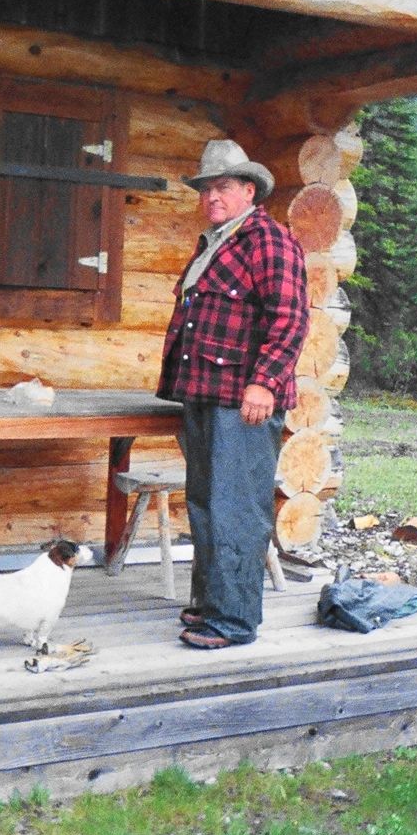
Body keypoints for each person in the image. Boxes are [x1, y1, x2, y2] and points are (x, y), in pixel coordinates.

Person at [157, 139, 310, 649]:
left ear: (249, 190)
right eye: (206, 190)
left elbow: (289, 319)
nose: (212, 197)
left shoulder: (269, 240)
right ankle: (212, 606)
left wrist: (264, 382)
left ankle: (234, 620)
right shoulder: (216, 242)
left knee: (236, 508)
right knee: (205, 504)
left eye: (223, 187)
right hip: (206, 394)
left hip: (243, 401)